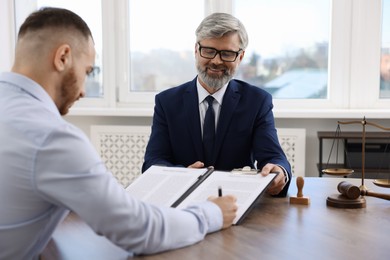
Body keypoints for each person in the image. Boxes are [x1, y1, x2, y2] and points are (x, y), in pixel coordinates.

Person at [0, 8, 237, 259]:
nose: (82, 91)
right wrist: (212, 213)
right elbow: (138, 229)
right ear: (63, 57)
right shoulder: (52, 138)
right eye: (88, 71)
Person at [142, 13, 292, 197]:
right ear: (196, 50)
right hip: (183, 201)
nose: (216, 61)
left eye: (227, 53)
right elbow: (154, 161)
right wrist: (181, 176)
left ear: (241, 57)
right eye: (209, 50)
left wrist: (279, 172)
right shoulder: (167, 102)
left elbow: (273, 157)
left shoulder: (257, 101)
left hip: (236, 200)